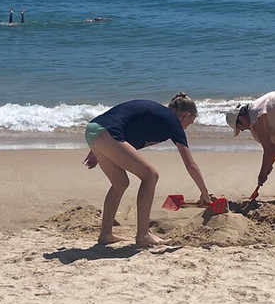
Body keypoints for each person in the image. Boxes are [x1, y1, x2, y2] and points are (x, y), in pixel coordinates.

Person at [83, 93, 211, 247]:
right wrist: (204, 192)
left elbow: (126, 126)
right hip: (105, 133)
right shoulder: (171, 120)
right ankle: (143, 234)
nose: (189, 125)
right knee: (150, 175)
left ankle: (105, 235)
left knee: (120, 183)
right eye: (191, 121)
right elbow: (190, 164)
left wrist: (96, 147)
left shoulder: (159, 117)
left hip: (95, 130)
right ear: (185, 115)